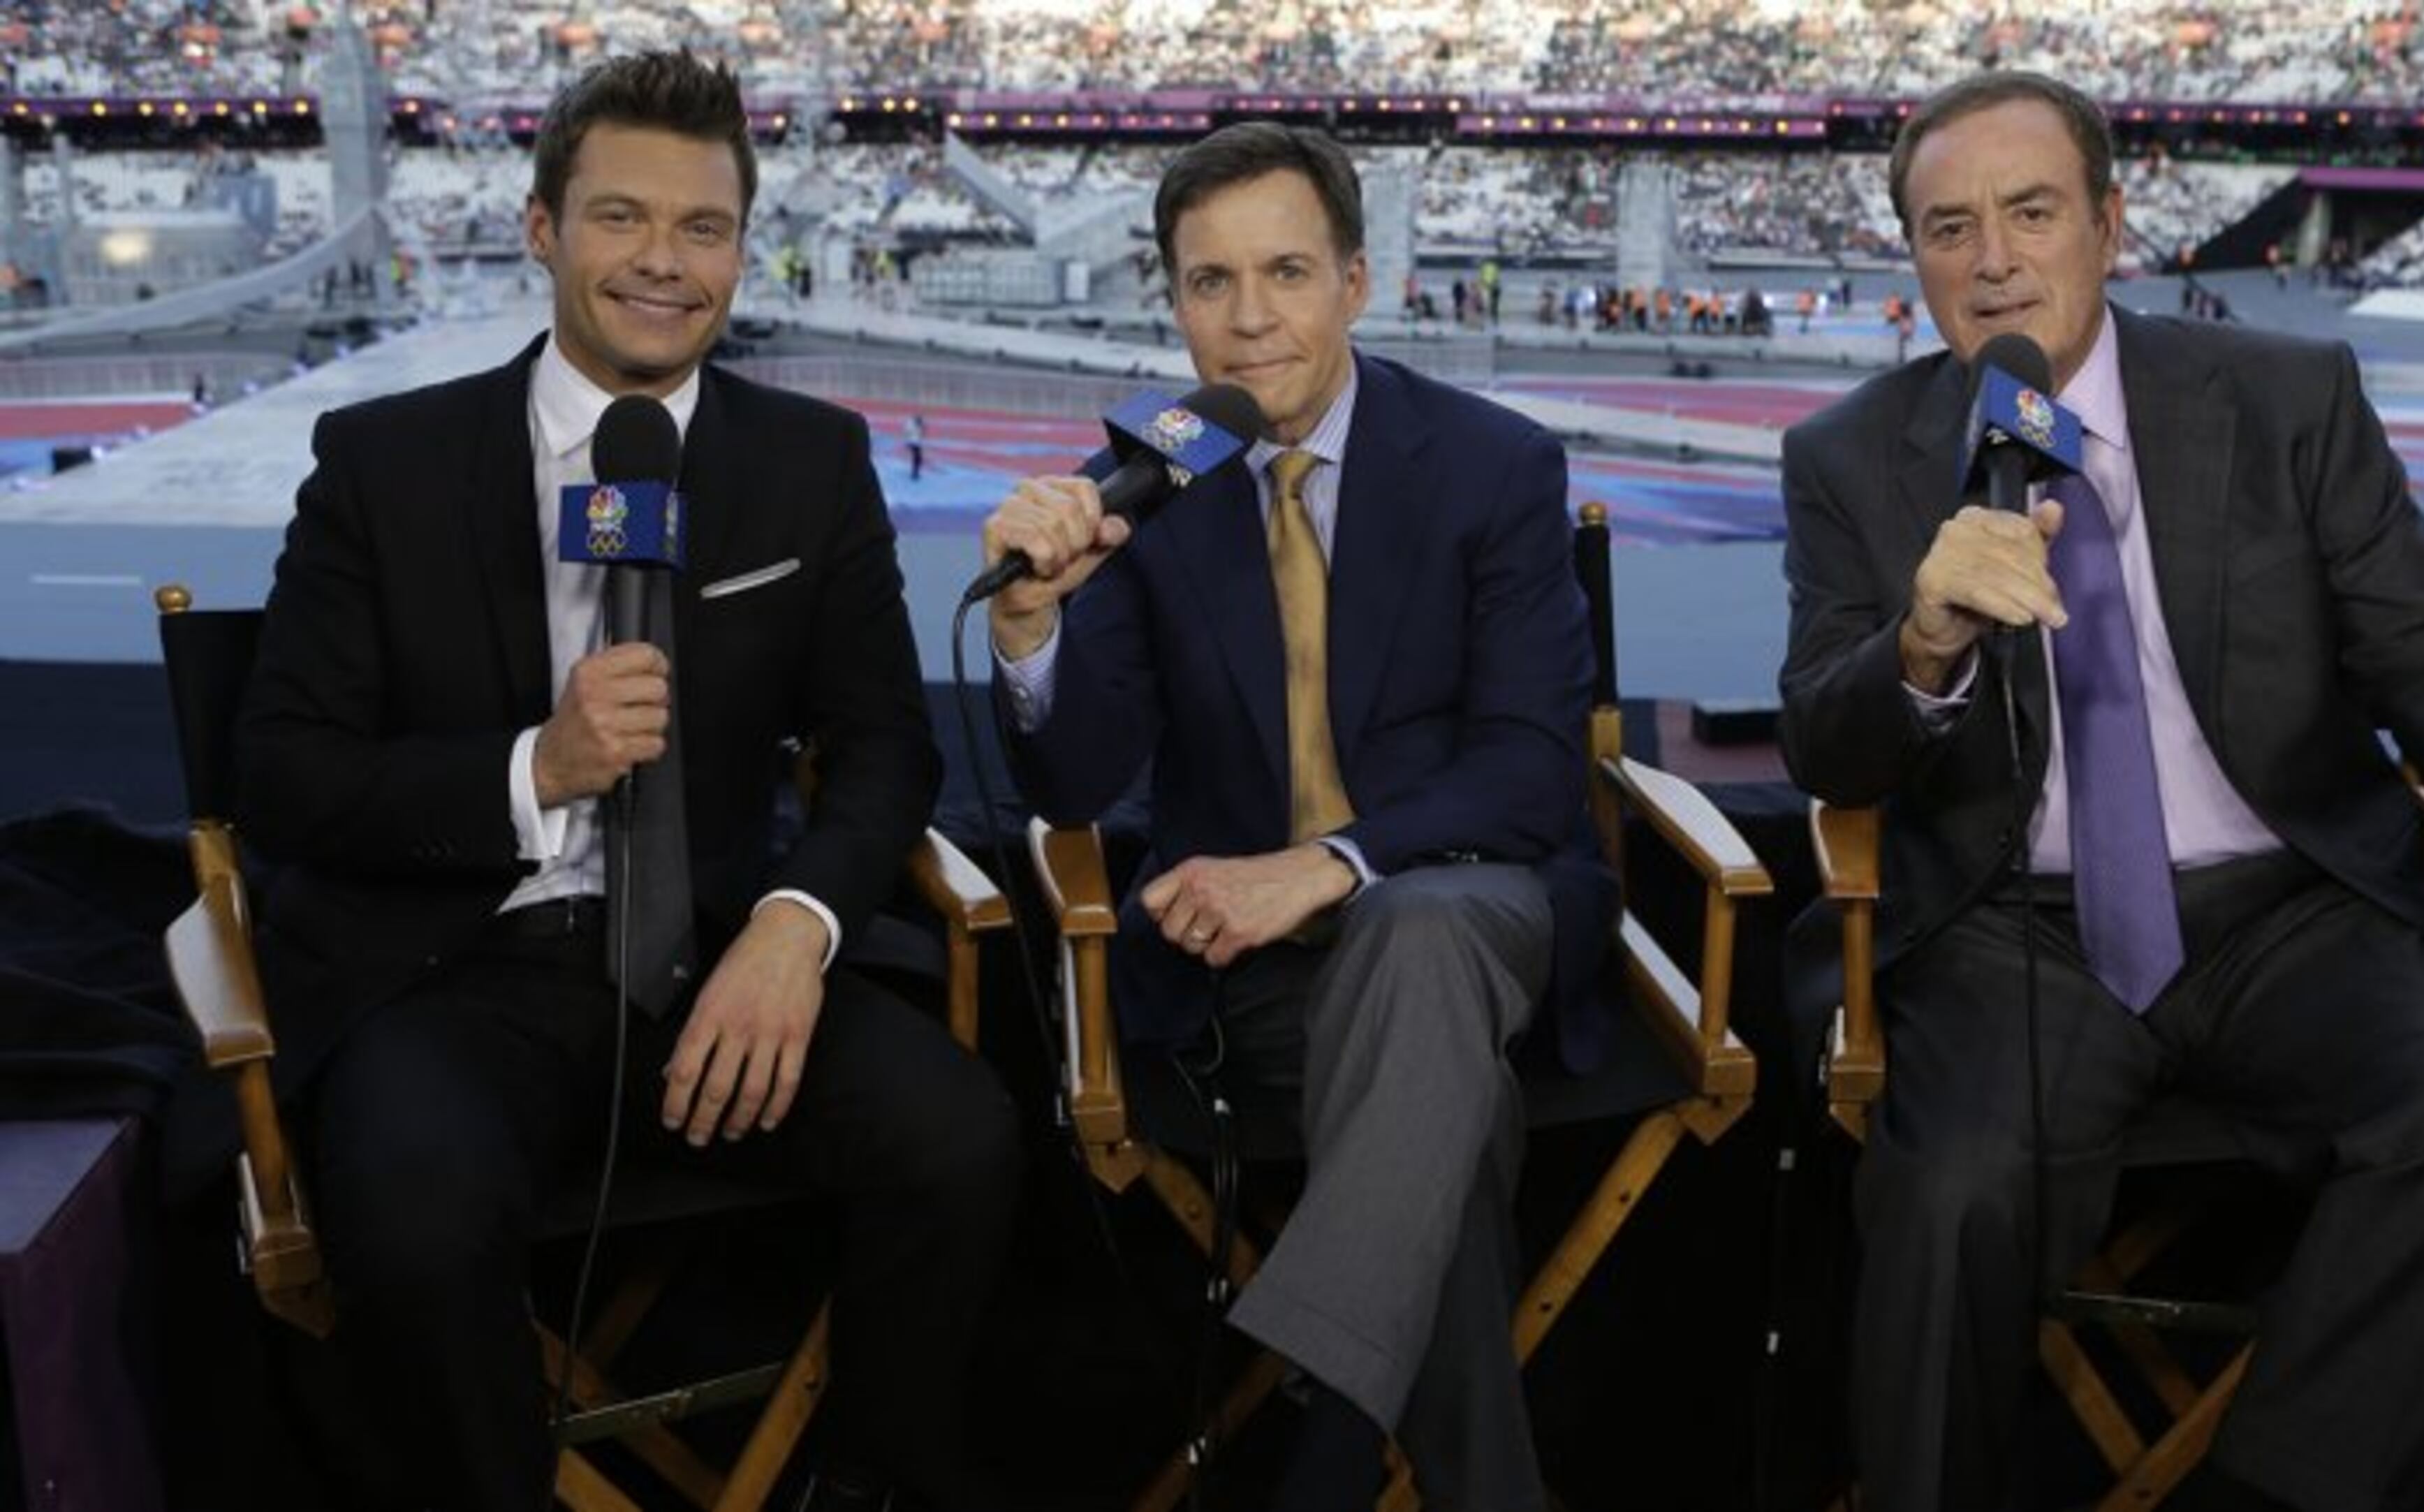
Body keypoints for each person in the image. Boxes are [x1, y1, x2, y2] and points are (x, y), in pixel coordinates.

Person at [1777, 72, 2424, 1512]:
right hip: (2014, 926)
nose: (1992, 259)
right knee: (1948, 1195)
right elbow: (1827, 746)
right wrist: (1920, 640)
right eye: (1948, 227)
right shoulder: (1850, 458)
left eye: (2032, 212)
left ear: (2112, 226)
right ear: (1913, 259)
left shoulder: (2285, 400)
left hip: (2290, 908)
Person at [233, 51, 1018, 1512]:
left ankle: (868, 1483)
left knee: (962, 1138)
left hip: (722, 954)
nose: (664, 263)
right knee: (411, 1211)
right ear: (542, 228)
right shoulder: (383, 462)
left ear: (742, 246)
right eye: (619, 218)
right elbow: (282, 774)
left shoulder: (812, 461)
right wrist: (539, 763)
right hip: (453, 970)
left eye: (703, 228)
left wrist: (798, 923)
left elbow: (887, 745)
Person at [979, 122, 1611, 1512]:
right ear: (1173, 298)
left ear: (1357, 281)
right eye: (1210, 282)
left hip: (1472, 902)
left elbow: (1527, 773)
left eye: (1284, 272)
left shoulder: (1491, 464)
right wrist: (1031, 624)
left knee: (1425, 928)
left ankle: (1317, 1453)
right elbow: (1077, 783)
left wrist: (1322, 865)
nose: (1249, 318)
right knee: (1449, 1103)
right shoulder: (1152, 474)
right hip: (1258, 984)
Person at [906, 409, 927, 480]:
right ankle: (915, 473)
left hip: (916, 443)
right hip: (913, 442)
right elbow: (909, 433)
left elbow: (923, 433)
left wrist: (922, 429)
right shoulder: (911, 424)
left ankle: (915, 472)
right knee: (918, 458)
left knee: (918, 458)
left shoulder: (917, 424)